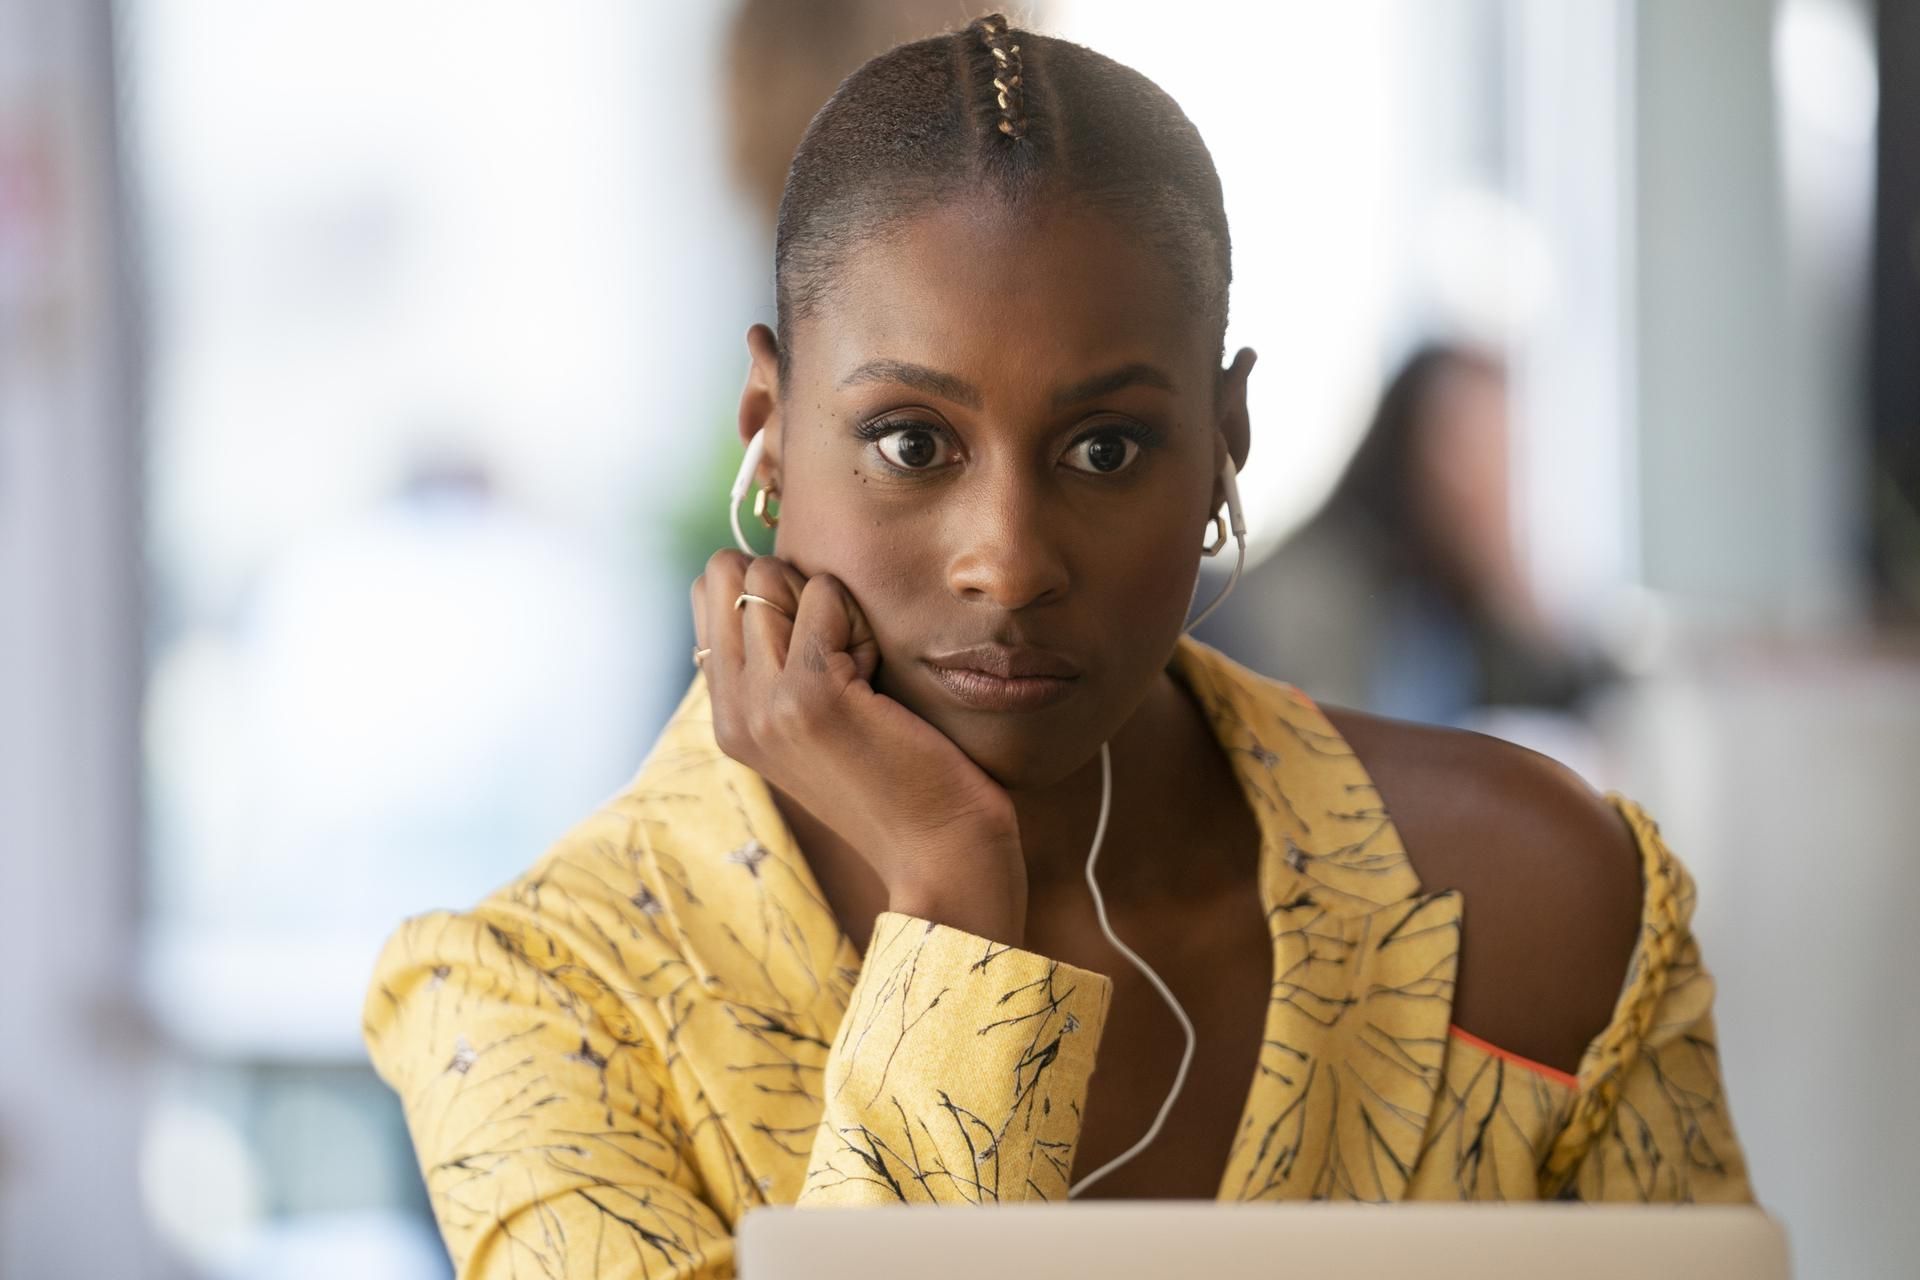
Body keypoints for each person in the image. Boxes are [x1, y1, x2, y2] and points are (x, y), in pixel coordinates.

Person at [363, 15, 1754, 1277]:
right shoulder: (543, 1004)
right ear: (769, 432)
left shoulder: (1534, 903)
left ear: (1225, 446)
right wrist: (955, 908)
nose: (1009, 561)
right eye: (913, 442)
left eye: (1106, 446)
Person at [1195, 343, 1620, 725]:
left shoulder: (1444, 601)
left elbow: (1557, 689)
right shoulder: (1326, 584)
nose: (1497, 483)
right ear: (1424, 446)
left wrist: (1510, 589)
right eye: (1482, 451)